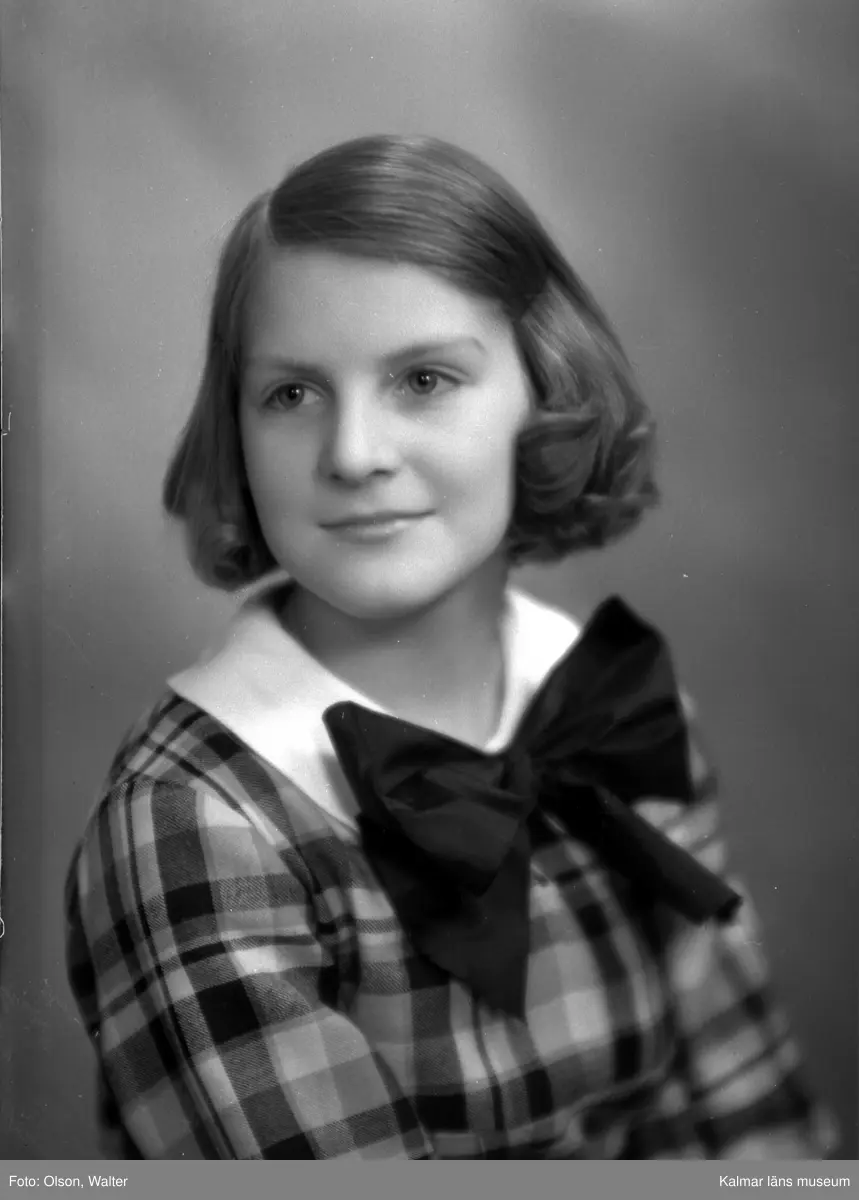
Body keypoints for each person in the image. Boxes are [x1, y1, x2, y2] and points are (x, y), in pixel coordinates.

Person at [65, 134, 837, 1160]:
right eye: (291, 394)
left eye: (423, 379)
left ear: (545, 393)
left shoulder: (612, 707)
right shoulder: (195, 820)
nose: (353, 454)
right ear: (236, 434)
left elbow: (747, 1121)